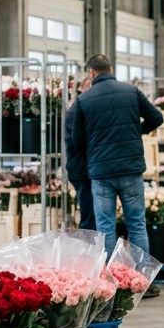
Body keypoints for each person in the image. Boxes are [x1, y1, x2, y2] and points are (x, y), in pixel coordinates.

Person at [65, 54, 163, 260]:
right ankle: (144, 278)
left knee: (106, 228)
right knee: (136, 225)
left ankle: (110, 282)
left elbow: (77, 141)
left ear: (91, 73)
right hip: (131, 169)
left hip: (101, 173)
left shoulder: (84, 100)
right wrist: (138, 131)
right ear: (110, 69)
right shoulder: (132, 91)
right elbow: (156, 117)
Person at [65, 76, 95, 231]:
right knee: (88, 216)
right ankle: (88, 250)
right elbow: (79, 142)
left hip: (80, 168)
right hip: (81, 170)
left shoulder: (77, 108)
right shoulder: (79, 109)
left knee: (89, 213)